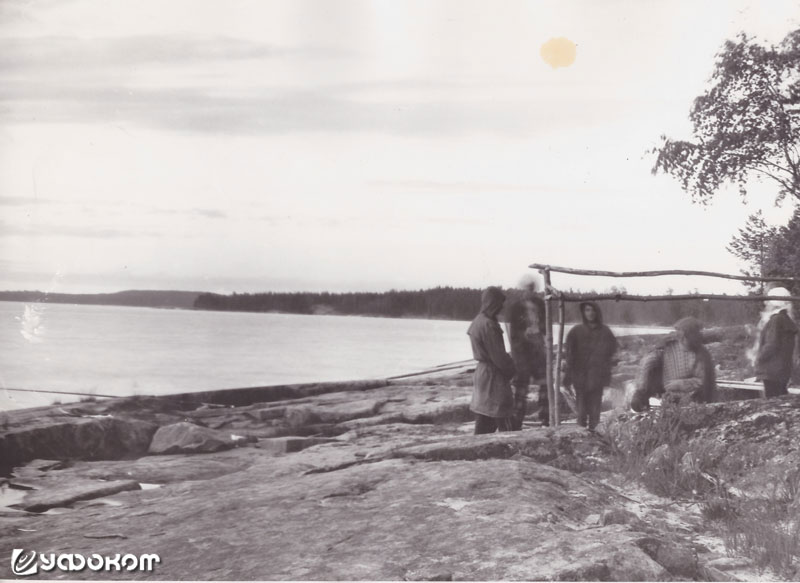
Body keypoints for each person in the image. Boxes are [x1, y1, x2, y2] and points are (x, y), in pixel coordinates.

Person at [629, 316, 716, 411]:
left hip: (693, 399)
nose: (680, 336)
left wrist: (679, 384)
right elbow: (647, 365)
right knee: (651, 365)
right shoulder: (667, 347)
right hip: (667, 395)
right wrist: (640, 392)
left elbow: (703, 382)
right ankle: (641, 397)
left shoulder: (701, 354)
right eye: (678, 332)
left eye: (682, 332)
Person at [468, 286, 516, 434]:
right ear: (492, 303)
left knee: (484, 416)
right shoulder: (489, 325)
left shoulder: (477, 321)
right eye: (499, 303)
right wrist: (512, 370)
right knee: (503, 416)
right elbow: (499, 358)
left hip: (482, 375)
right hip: (493, 377)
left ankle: (477, 451)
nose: (501, 307)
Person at [563, 302, 617, 431]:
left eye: (593, 310)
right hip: (580, 376)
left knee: (595, 412)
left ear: (597, 312)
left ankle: (595, 437)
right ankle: (581, 436)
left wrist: (604, 368)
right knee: (581, 412)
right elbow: (569, 354)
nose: (590, 313)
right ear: (583, 312)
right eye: (587, 310)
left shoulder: (605, 331)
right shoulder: (576, 331)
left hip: (597, 377)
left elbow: (612, 351)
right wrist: (567, 376)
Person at [506, 287, 547, 430]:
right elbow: (513, 335)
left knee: (545, 384)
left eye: (531, 288)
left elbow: (545, 328)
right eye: (526, 288)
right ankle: (516, 422)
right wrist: (517, 353)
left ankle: (546, 418)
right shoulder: (517, 308)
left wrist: (540, 339)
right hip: (523, 355)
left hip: (538, 353)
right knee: (521, 388)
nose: (529, 291)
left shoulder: (540, 305)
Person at [755, 287, 798, 398]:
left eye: (769, 301)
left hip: (771, 371)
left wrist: (759, 357)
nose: (766, 304)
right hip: (782, 369)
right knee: (781, 398)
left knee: (772, 400)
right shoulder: (786, 319)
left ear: (775, 302)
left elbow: (772, 344)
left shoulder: (776, 320)